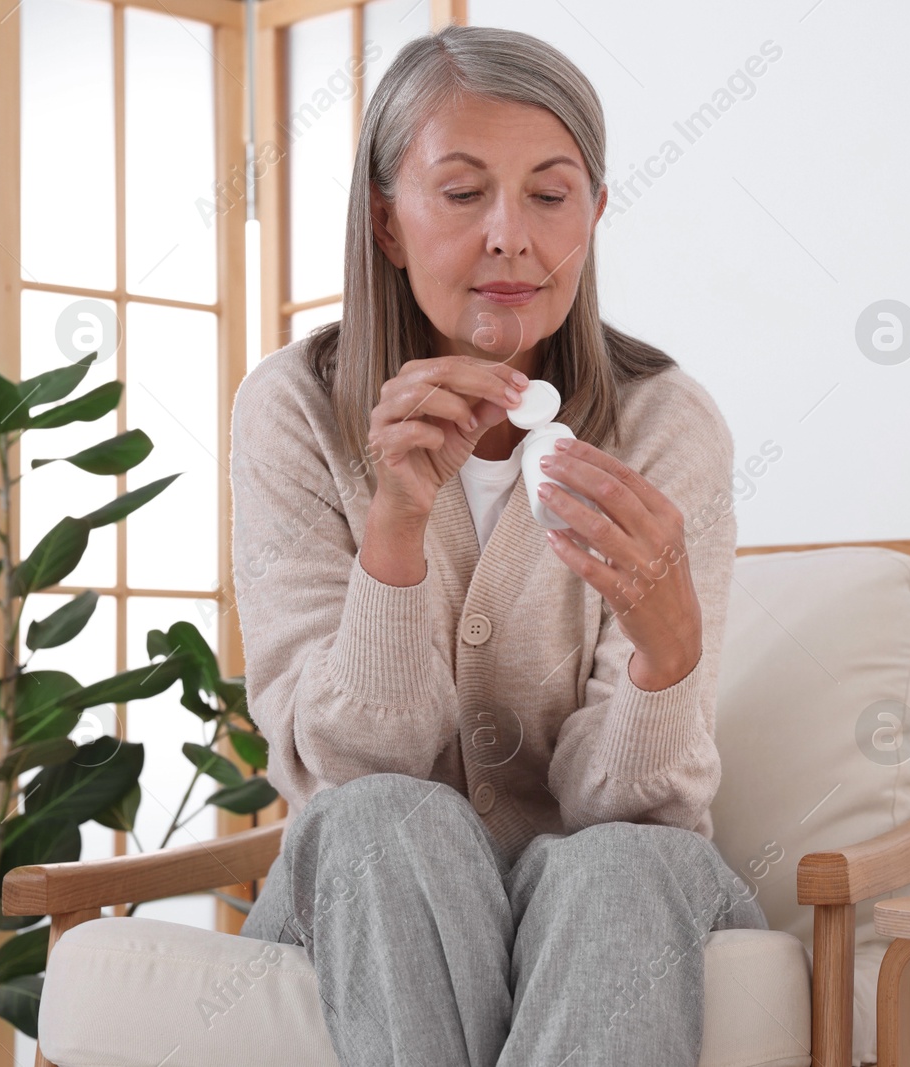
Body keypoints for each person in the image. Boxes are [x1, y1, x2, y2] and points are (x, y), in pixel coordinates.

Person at [230, 22, 766, 1067]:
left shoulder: (666, 427)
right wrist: (394, 527)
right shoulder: (294, 409)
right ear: (386, 222)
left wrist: (667, 661)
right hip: (371, 884)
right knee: (386, 819)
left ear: (595, 217)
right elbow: (347, 773)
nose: (510, 237)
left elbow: (633, 812)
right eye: (464, 192)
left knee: (617, 864)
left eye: (551, 195)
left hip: (620, 890)